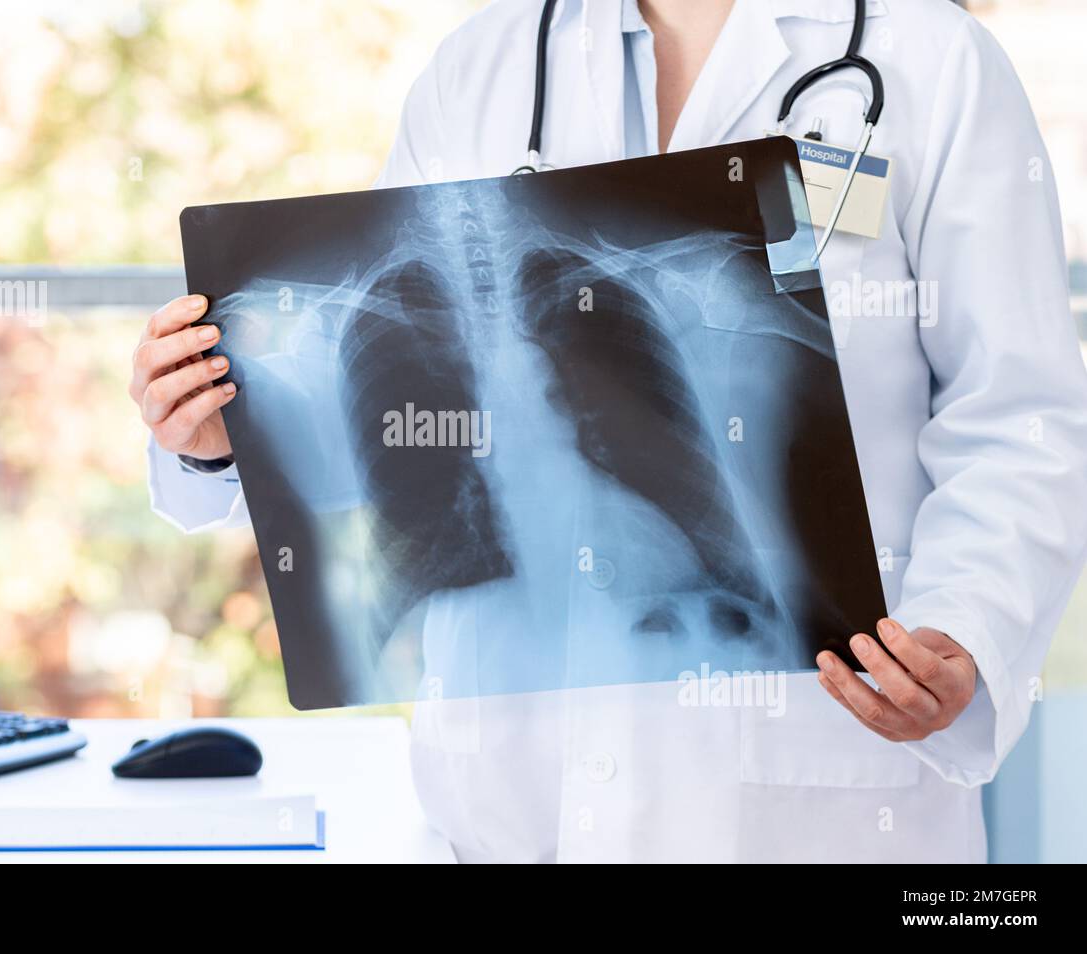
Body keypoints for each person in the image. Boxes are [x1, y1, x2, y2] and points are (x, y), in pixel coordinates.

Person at [128, 0, 1087, 862]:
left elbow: (1020, 415)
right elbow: (397, 418)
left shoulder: (935, 64)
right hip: (507, 806)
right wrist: (212, 437)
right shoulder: (480, 69)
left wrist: (967, 625)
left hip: (818, 797)